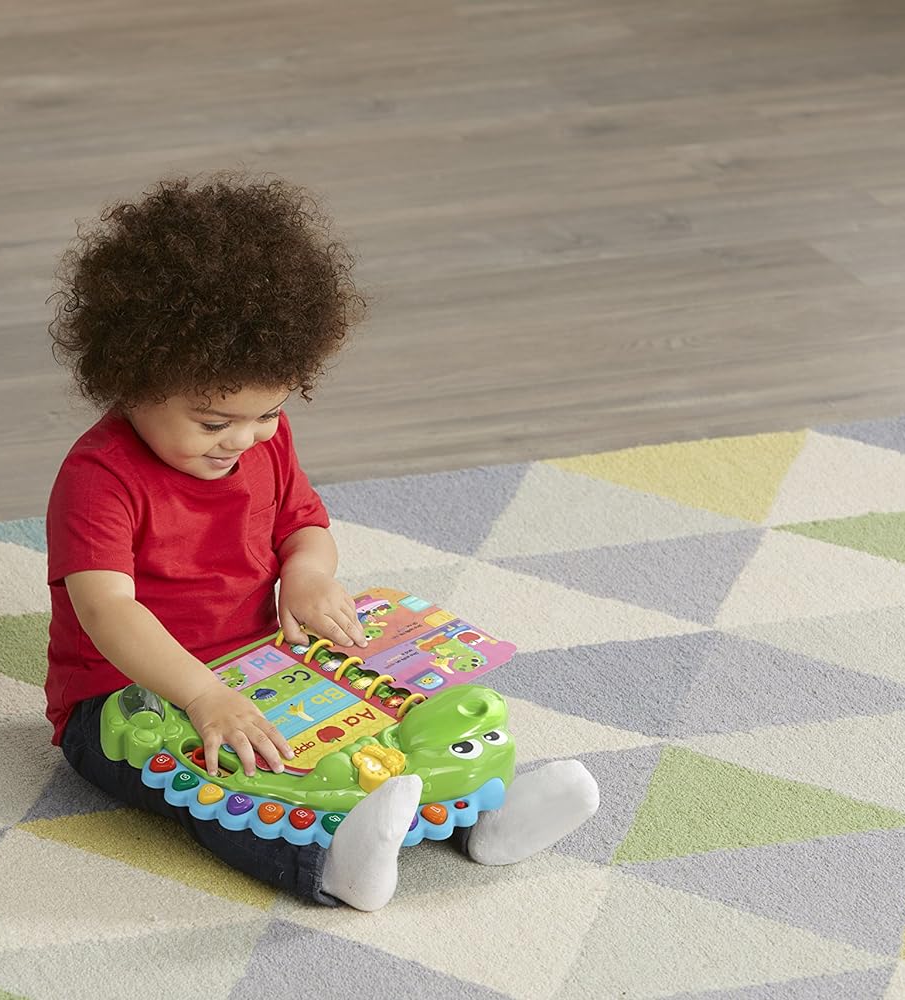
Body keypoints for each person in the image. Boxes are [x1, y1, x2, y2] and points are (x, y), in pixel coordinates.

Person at [44, 173, 597, 910]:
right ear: (134, 380)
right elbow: (108, 611)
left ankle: (486, 820)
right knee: (225, 778)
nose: (242, 440)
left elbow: (303, 524)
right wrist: (204, 696)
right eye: (213, 423)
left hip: (265, 660)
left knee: (384, 714)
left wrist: (306, 573)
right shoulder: (99, 478)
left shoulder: (261, 442)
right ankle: (328, 866)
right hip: (126, 697)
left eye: (268, 413)